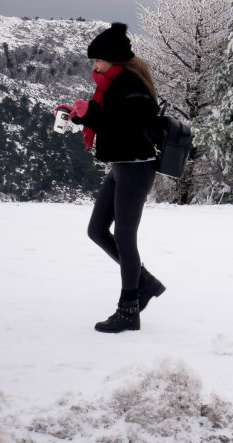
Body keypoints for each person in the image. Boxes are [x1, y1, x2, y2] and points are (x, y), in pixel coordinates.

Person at [68, 22, 167, 333]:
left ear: (114, 59)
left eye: (98, 60)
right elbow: (110, 120)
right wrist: (81, 115)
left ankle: (129, 310)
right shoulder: (113, 84)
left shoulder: (131, 84)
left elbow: (127, 124)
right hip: (121, 166)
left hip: (136, 167)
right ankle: (145, 282)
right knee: (97, 230)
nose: (94, 66)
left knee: (124, 237)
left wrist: (91, 114)